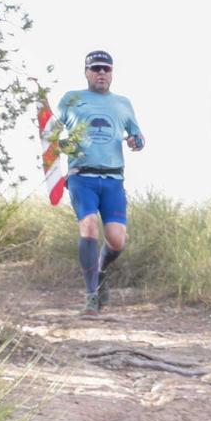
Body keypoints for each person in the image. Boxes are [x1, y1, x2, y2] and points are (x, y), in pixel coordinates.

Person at [52, 50, 145, 315]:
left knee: (117, 240)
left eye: (106, 68)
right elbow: (53, 135)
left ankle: (102, 272)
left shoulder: (123, 103)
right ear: (86, 72)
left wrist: (135, 142)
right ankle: (91, 296)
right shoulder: (72, 99)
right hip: (82, 177)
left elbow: (138, 137)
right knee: (90, 228)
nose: (101, 73)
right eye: (96, 69)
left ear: (112, 73)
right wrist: (67, 147)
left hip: (113, 179)